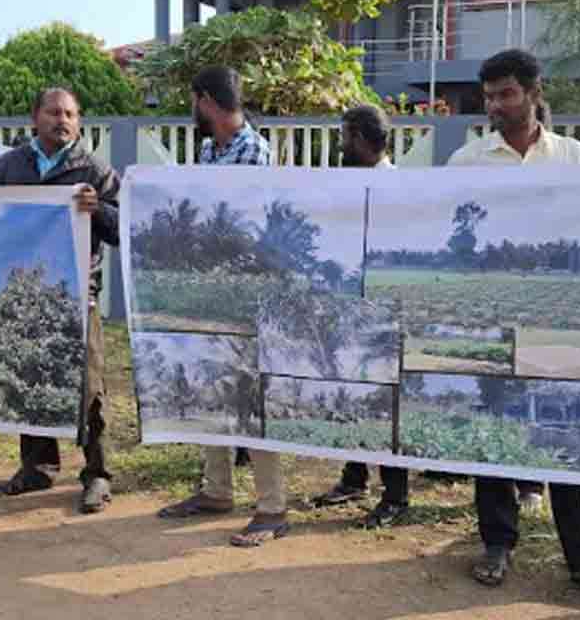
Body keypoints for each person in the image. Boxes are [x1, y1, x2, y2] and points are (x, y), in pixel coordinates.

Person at [447, 49, 580, 608]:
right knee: (492, 429)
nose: (496, 106)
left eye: (507, 94)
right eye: (489, 96)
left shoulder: (575, 157)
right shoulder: (466, 164)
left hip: (560, 315)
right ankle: (497, 543)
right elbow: (452, 233)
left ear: (535, 92)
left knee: (566, 431)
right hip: (493, 313)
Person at [156, 65, 289, 547]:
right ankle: (216, 491)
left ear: (206, 100)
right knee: (210, 384)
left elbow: (233, 224)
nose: (193, 110)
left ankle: (273, 507)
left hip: (244, 292)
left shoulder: (251, 151)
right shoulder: (212, 148)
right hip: (213, 287)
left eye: (194, 101)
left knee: (248, 397)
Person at [0, 86, 120, 515]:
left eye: (71, 114)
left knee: (88, 388)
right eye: (54, 112)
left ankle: (98, 475)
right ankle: (37, 467)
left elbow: (122, 228)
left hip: (78, 295)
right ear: (34, 117)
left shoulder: (93, 169)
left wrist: (100, 210)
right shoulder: (11, 166)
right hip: (24, 294)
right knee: (28, 381)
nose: (63, 121)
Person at [311, 104, 409, 528]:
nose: (340, 143)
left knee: (383, 397)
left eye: (346, 135)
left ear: (366, 140)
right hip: (346, 301)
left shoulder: (398, 187)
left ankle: (397, 495)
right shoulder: (345, 181)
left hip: (382, 307)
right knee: (348, 389)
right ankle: (354, 477)